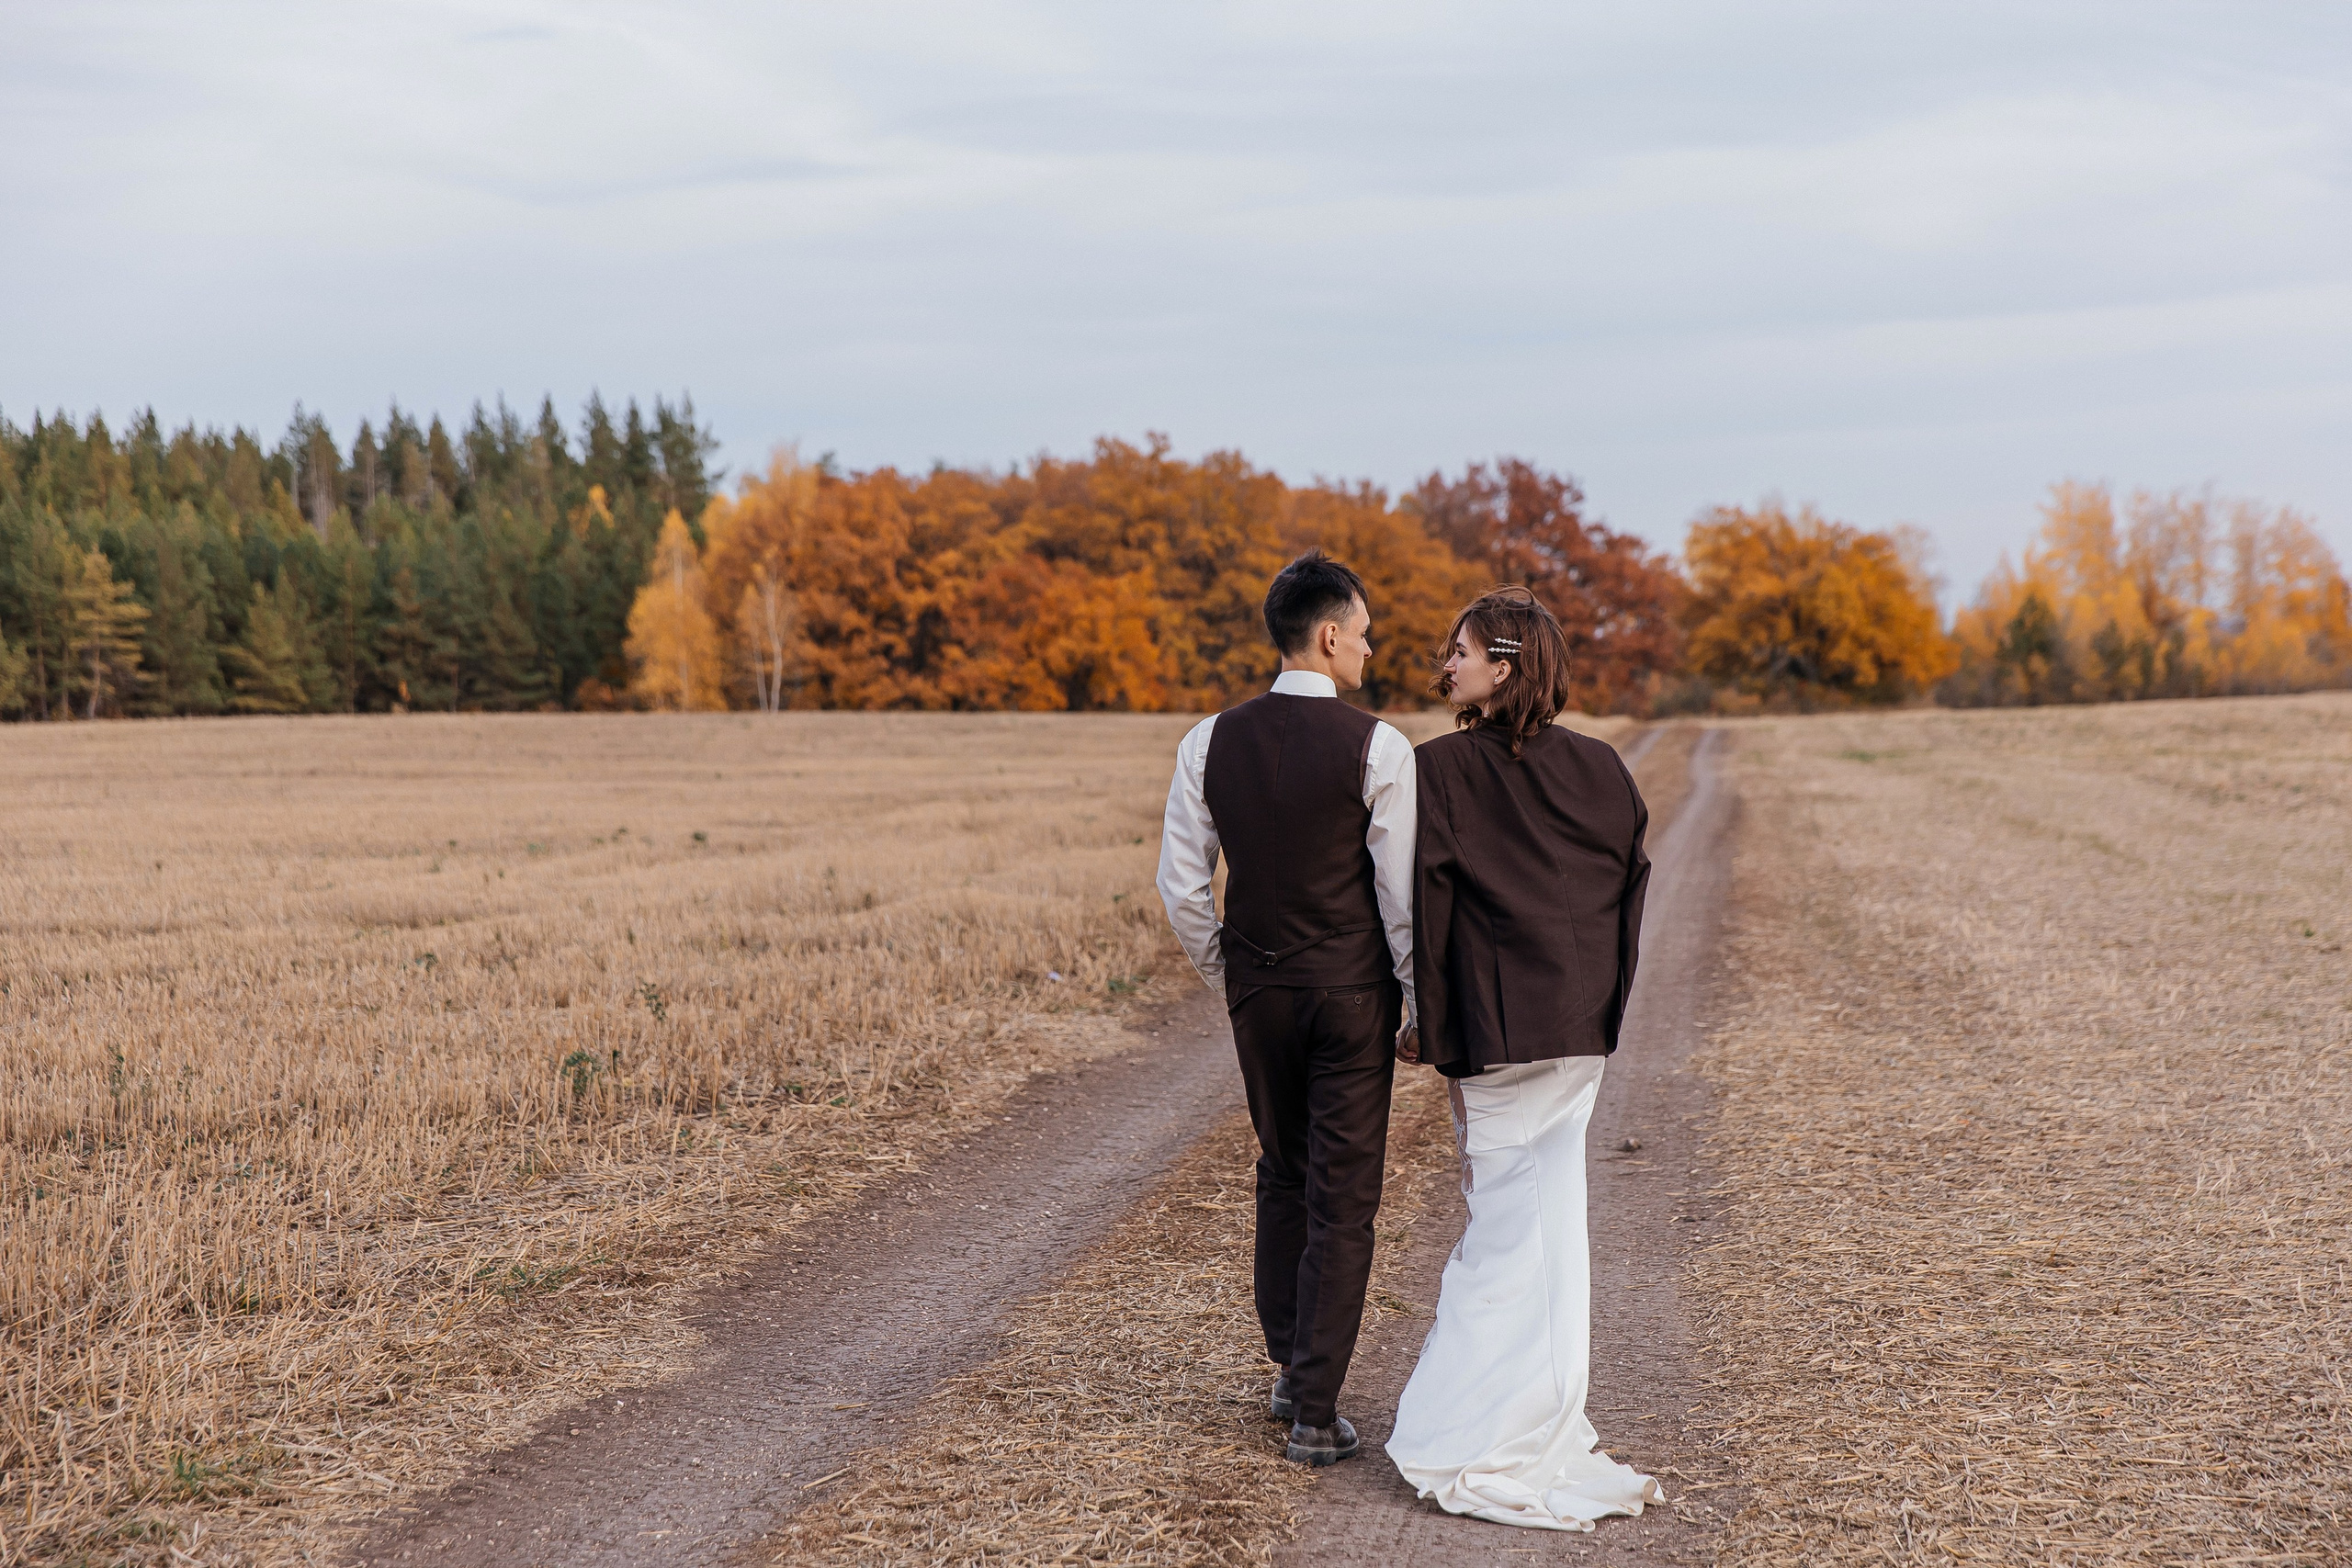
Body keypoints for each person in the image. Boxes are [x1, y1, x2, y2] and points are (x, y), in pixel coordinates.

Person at [1385, 585, 1666, 1531]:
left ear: (1503, 667)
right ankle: (1543, 1417)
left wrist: (1422, 1016)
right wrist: (1594, 993)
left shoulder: (1438, 771)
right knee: (1554, 1229)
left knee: (1500, 1239)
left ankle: (1469, 1437)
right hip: (1578, 1033)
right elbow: (1627, 884)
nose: (1444, 661)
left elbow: (1425, 905)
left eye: (1458, 650)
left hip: (1498, 1041)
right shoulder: (1602, 769)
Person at [1156, 549, 1418, 1466]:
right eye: (1366, 635)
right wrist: (1414, 1000)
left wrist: (1224, 971)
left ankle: (1286, 1368)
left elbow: (1182, 886)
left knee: (1283, 1171)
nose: (1370, 651)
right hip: (1349, 994)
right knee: (1342, 1198)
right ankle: (1313, 1407)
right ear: (1330, 635)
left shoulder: (1206, 741)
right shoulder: (1379, 748)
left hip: (1257, 991)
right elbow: (1399, 900)